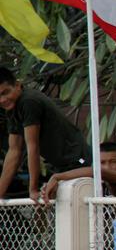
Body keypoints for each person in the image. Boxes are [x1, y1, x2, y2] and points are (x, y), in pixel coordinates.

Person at [0, 66, 91, 201]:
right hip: (61, 166)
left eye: (5, 92)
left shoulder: (28, 101)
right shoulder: (12, 108)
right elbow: (14, 151)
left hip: (78, 161)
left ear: (18, 85)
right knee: (47, 199)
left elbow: (33, 147)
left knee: (45, 198)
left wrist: (33, 189)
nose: (2, 100)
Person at [41, 141, 116, 201]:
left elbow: (98, 172)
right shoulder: (91, 183)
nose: (107, 167)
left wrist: (57, 177)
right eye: (102, 163)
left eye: (113, 162)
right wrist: (53, 191)